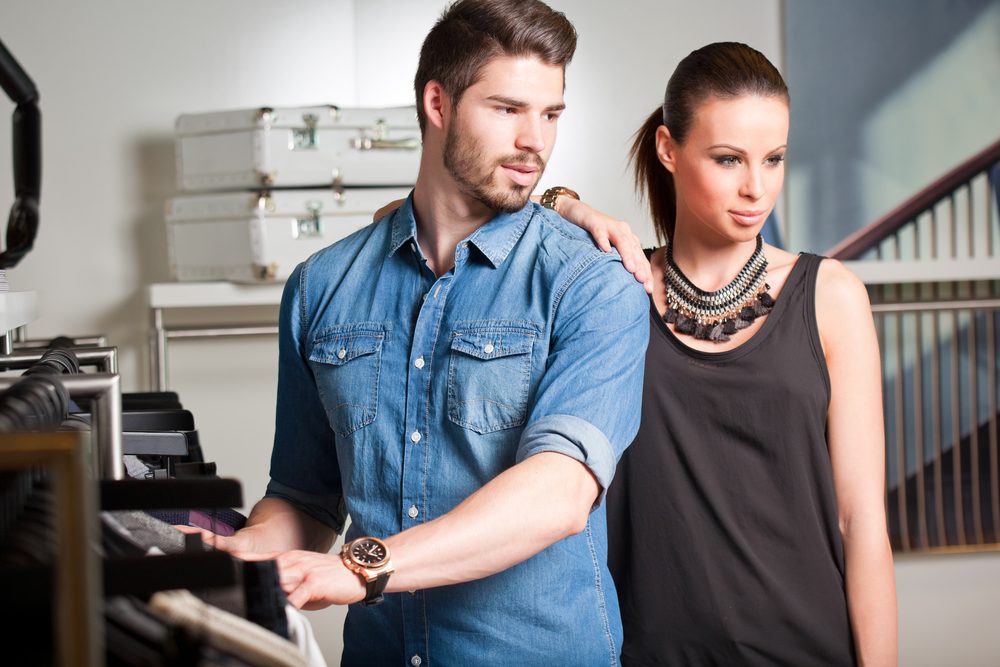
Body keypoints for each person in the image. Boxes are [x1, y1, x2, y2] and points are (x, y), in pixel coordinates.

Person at [185, 1, 649, 665]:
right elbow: (305, 498)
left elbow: (558, 493)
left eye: (550, 114)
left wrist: (364, 566)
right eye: (508, 109)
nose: (535, 142)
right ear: (439, 103)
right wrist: (249, 552)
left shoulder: (594, 286)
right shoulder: (322, 286)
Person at [548, 42, 897, 666]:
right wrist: (564, 206)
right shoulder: (612, 292)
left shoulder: (830, 297)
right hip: (647, 651)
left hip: (807, 649)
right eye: (728, 159)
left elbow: (861, 521)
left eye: (775, 159)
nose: (756, 188)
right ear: (668, 149)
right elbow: (439, 215)